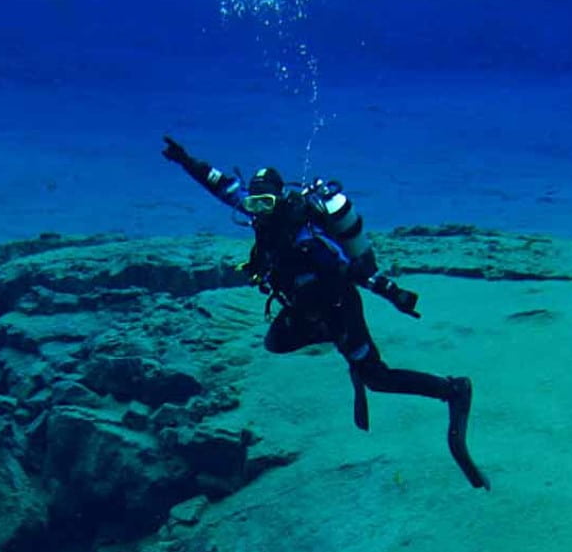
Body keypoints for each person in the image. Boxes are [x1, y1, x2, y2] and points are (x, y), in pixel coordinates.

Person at [162, 136, 490, 489]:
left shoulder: (306, 238)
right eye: (254, 202)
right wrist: (185, 160)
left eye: (265, 202)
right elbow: (220, 184)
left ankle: (453, 390)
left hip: (339, 308)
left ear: (280, 200)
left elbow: (353, 271)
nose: (257, 210)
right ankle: (336, 342)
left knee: (376, 378)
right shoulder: (259, 216)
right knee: (276, 341)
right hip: (308, 308)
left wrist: (394, 294)